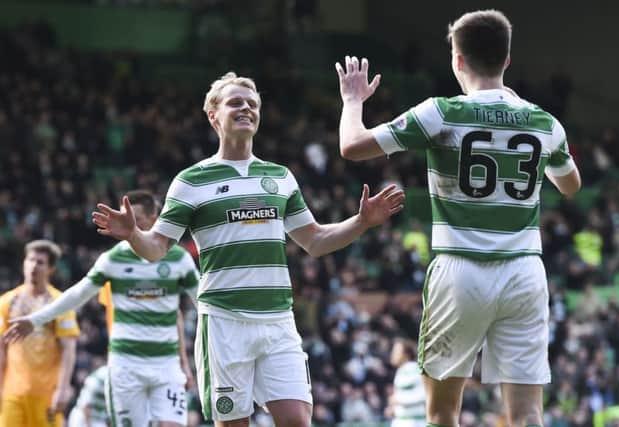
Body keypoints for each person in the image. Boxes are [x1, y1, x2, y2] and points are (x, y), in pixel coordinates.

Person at [88, 72, 405, 426]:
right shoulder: (191, 181)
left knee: (298, 420)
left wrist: (361, 221)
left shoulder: (280, 176)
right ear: (213, 115)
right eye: (235, 102)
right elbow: (157, 249)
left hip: (277, 320)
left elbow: (315, 241)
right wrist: (133, 233)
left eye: (252, 104)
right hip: (225, 324)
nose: (246, 108)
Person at [335, 10, 581, 427]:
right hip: (524, 273)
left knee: (442, 414)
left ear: (457, 60)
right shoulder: (545, 123)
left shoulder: (441, 113)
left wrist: (354, 102)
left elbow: (352, 146)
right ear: (506, 60)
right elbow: (571, 185)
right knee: (527, 415)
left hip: (460, 271)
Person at [5, 190, 200, 427]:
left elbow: (202, 301)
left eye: (136, 219)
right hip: (126, 367)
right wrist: (35, 319)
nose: (131, 226)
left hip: (166, 366)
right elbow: (78, 294)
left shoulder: (178, 259)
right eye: (126, 219)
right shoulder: (113, 259)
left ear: (154, 217)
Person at [0, 240, 79, 427]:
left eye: (40, 262)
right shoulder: (7, 301)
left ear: (51, 269)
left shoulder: (60, 303)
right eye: (30, 260)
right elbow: (1, 347)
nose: (33, 266)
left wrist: (63, 388)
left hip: (47, 394)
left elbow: (69, 349)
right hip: (13, 392)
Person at [387, 339, 426, 427]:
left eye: (396, 351)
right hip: (403, 420)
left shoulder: (412, 369)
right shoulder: (402, 370)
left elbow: (423, 395)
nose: (393, 354)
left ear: (406, 354)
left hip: (413, 422)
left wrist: (398, 400)